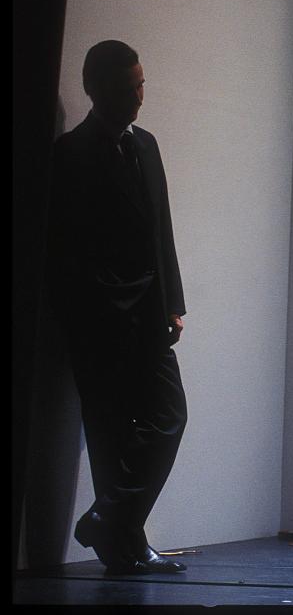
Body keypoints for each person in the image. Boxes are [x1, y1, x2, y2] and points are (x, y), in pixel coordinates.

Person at [46, 40, 188, 575]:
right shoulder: (71, 154)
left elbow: (160, 230)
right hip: (98, 321)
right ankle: (123, 544)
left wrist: (172, 303)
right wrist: (100, 311)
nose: (139, 97)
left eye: (141, 84)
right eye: (129, 88)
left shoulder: (146, 145)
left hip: (149, 314)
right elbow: (69, 250)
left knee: (169, 416)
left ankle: (107, 517)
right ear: (97, 90)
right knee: (109, 435)